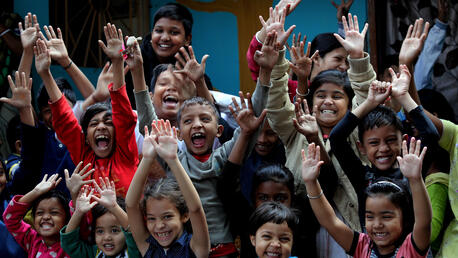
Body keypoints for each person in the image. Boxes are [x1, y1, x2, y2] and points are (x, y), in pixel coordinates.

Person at [35, 23, 138, 197]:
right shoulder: (84, 158)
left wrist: (117, 62)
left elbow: (123, 113)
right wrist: (45, 73)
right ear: (87, 139)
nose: (101, 127)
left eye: (107, 122)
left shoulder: (125, 153)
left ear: (117, 132)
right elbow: (65, 121)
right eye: (93, 124)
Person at [329, 66, 439, 225]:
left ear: (403, 141)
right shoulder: (363, 178)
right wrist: (369, 102)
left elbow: (431, 135)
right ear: (362, 148)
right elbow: (336, 139)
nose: (383, 149)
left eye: (390, 140)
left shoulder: (412, 174)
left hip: (409, 249)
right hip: (370, 250)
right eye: (374, 143)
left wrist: (404, 97)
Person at [301, 139, 432, 257]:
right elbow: (330, 221)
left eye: (386, 217)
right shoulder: (362, 246)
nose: (377, 224)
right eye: (370, 217)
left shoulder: (412, 247)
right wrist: (311, 182)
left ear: (405, 218)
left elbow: (424, 221)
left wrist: (416, 179)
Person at [126, 120, 210, 257]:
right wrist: (147, 158)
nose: (159, 226)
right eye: (151, 218)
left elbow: (195, 208)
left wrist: (173, 160)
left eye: (167, 217)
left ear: (184, 215)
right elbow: (131, 205)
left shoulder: (195, 248)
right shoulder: (148, 246)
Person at [60, 177, 141, 257]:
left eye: (114, 230)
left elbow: (134, 234)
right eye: (100, 231)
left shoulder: (133, 252)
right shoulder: (93, 253)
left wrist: (114, 207)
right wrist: (78, 212)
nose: (107, 237)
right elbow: (69, 244)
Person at [3, 174, 70, 257]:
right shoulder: (32, 240)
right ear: (33, 219)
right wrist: (36, 192)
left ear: (67, 219)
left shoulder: (73, 244)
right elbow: (10, 218)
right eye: (40, 213)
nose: (45, 217)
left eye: (54, 212)